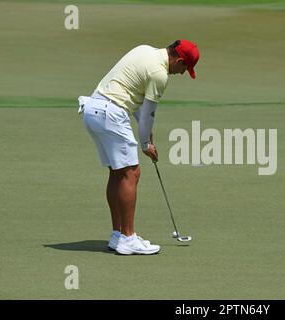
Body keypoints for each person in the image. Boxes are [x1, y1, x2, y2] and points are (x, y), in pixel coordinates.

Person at [78, 40, 200, 255]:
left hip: (93, 109)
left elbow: (136, 101)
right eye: (184, 69)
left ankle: (118, 235)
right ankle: (128, 238)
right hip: (111, 113)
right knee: (131, 173)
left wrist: (145, 131)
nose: (181, 73)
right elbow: (148, 114)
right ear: (179, 60)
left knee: (118, 173)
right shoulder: (160, 74)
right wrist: (146, 144)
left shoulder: (144, 50)